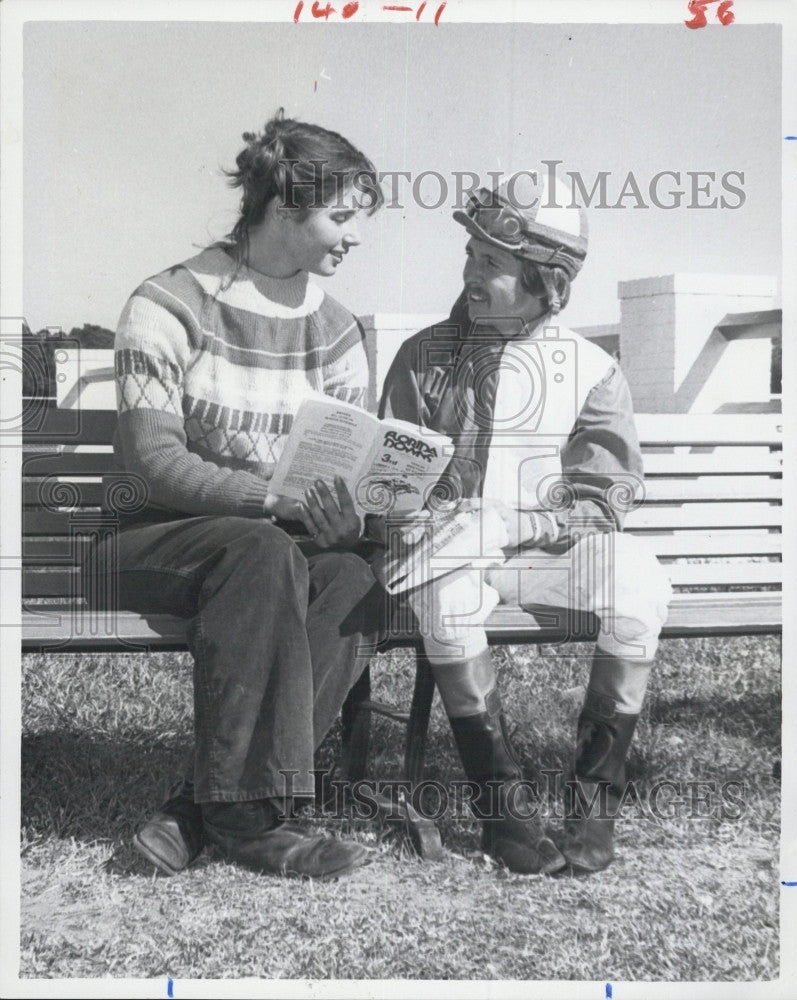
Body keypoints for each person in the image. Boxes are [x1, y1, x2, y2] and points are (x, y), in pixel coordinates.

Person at [88, 110, 385, 880]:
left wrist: (347, 513)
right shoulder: (169, 301)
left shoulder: (340, 329)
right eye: (341, 217)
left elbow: (350, 464)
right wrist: (274, 504)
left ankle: (207, 806)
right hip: (150, 541)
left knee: (352, 580)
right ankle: (252, 824)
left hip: (268, 550)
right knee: (261, 548)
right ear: (285, 206)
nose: (354, 237)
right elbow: (154, 463)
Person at [375, 168, 672, 875]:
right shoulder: (422, 356)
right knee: (447, 601)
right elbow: (386, 482)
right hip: (448, 560)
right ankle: (501, 812)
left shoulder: (592, 369)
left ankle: (592, 808)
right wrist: (410, 513)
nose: (471, 276)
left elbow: (607, 498)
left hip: (538, 553)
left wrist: (517, 522)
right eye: (470, 257)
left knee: (639, 581)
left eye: (493, 265)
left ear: (551, 285)